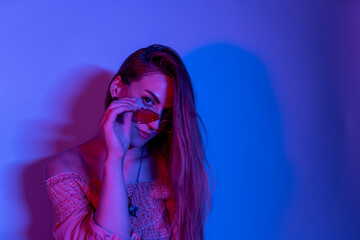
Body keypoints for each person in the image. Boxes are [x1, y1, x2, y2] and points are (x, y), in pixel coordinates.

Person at [43, 44, 212, 240]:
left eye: (165, 113)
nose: (154, 125)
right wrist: (114, 158)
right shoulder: (66, 169)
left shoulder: (172, 167)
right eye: (148, 102)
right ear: (117, 88)